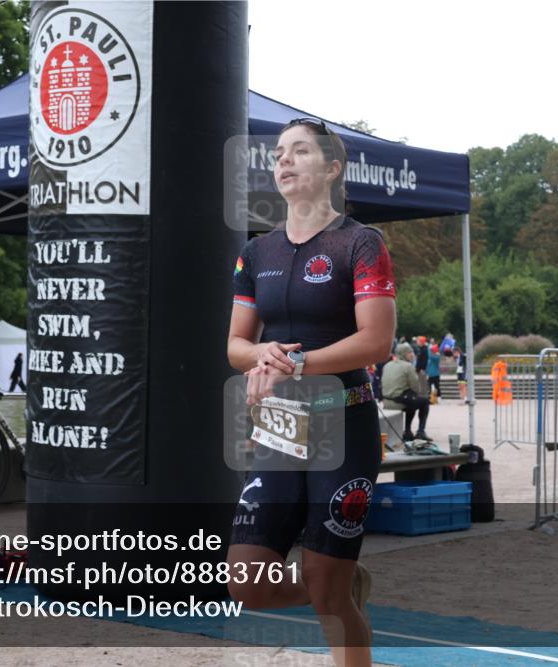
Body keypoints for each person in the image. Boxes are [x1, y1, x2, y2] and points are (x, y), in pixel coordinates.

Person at [227, 117, 396, 663]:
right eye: (278, 153)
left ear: (331, 169)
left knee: (328, 593)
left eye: (300, 151)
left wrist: (297, 365)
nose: (284, 160)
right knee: (246, 582)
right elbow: (235, 346)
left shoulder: (361, 243)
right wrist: (263, 356)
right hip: (278, 425)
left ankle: (335, 591)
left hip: (343, 422)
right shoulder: (257, 254)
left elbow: (376, 341)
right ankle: (340, 586)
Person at [382, 343, 431, 441]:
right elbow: (415, 387)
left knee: (411, 399)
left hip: (386, 401)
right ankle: (420, 432)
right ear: (403, 354)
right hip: (399, 402)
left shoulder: (387, 365)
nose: (412, 355)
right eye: (410, 352)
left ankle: (408, 431)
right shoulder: (408, 366)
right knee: (424, 401)